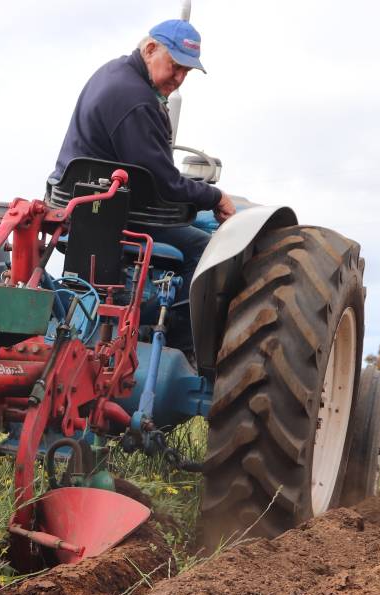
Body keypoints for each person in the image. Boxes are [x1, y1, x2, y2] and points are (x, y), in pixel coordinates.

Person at [49, 19, 234, 352]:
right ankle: (185, 347)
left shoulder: (113, 73)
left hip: (86, 203)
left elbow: (151, 170)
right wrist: (215, 195)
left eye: (186, 73)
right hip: (114, 215)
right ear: (150, 49)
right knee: (205, 246)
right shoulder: (137, 101)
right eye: (175, 67)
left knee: (198, 222)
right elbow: (166, 185)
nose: (178, 79)